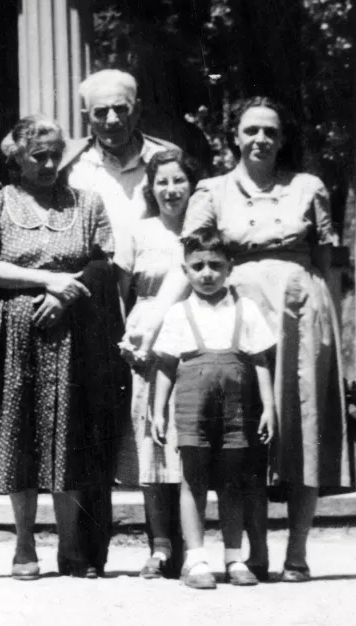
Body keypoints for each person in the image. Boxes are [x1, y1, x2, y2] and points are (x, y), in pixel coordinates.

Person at [129, 96, 351, 583]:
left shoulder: (308, 187)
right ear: (235, 136)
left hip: (301, 319)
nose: (261, 139)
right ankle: (249, 551)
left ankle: (296, 551)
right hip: (234, 322)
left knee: (299, 430)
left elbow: (328, 265)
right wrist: (153, 322)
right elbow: (185, 264)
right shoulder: (211, 190)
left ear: (283, 137)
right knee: (241, 440)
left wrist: (335, 340)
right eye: (251, 130)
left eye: (271, 131)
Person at [0, 69, 179, 574]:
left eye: (121, 108)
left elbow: (109, 254)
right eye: (100, 111)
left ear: (137, 107)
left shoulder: (156, 163)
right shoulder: (48, 175)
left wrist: (66, 291)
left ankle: (162, 548)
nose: (111, 118)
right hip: (53, 323)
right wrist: (47, 282)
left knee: (130, 426)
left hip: (126, 302)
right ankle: (69, 549)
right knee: (58, 430)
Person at [0, 117, 118, 581]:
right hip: (10, 333)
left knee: (68, 433)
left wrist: (65, 295)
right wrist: (49, 280)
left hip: (71, 331)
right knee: (19, 432)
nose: (48, 164)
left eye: (54, 155)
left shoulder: (86, 203)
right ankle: (24, 542)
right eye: (37, 156)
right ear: (17, 159)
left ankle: (70, 545)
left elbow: (102, 263)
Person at [151, 230, 275, 590]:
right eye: (198, 266)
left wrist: (268, 407)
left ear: (230, 267)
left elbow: (261, 360)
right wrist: (157, 412)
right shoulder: (178, 313)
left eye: (215, 265)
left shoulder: (245, 309)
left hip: (236, 407)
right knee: (193, 478)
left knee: (231, 481)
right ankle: (196, 558)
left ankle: (234, 557)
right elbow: (164, 366)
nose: (207, 273)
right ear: (185, 270)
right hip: (193, 403)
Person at [114, 149, 202, 579]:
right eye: (162, 181)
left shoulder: (204, 230)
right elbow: (119, 291)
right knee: (150, 437)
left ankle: (192, 545)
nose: (170, 190)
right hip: (145, 342)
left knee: (187, 440)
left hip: (195, 341)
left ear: (193, 185)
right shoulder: (138, 231)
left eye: (179, 180)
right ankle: (160, 546)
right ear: (150, 187)